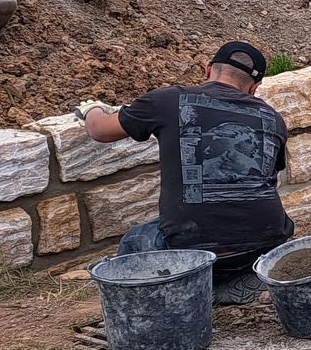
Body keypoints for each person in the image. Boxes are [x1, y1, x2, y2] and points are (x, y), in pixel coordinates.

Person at [78, 41, 293, 305]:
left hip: (192, 248)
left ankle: (175, 296)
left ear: (208, 69)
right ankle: (239, 281)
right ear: (254, 87)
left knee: (138, 240)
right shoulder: (273, 118)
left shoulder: (168, 100)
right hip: (265, 243)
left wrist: (92, 111)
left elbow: (100, 130)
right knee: (230, 240)